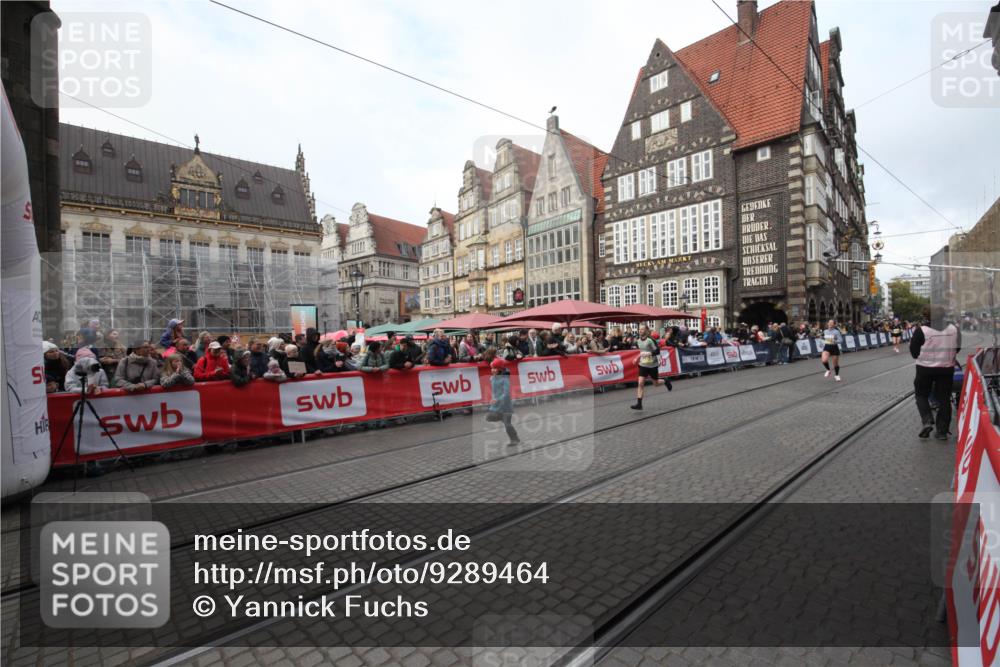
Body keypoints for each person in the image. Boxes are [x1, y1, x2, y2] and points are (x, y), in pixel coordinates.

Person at [910, 304, 962, 440]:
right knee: (944, 398)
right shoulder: (954, 329)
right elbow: (958, 348)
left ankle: (927, 420)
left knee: (921, 395)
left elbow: (914, 353)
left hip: (925, 369)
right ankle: (942, 431)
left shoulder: (921, 331)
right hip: (946, 368)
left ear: (925, 316)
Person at [631, 324, 670, 410]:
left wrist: (650, 353)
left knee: (655, 383)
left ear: (646, 331)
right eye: (639, 329)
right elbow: (642, 352)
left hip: (652, 365)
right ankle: (639, 404)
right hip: (643, 365)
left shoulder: (650, 340)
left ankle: (665, 380)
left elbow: (657, 351)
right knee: (640, 383)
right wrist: (637, 358)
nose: (640, 331)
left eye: (642, 329)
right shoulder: (638, 341)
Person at [488, 358, 519, 446]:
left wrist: (497, 399)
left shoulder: (505, 379)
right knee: (489, 417)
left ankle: (514, 439)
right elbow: (495, 391)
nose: (492, 370)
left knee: (507, 424)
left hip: (506, 405)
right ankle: (514, 436)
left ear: (500, 369)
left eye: (495, 368)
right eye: (492, 368)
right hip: (497, 405)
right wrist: (492, 398)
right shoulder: (492, 378)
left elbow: (506, 394)